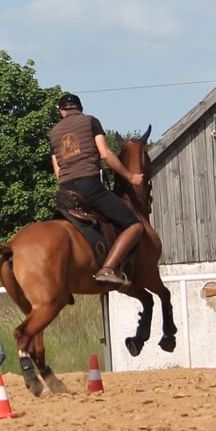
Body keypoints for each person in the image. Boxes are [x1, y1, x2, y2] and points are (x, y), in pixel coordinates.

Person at [49, 92, 145, 287]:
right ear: (80, 109)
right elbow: (105, 153)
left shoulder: (53, 134)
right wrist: (130, 176)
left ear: (61, 112)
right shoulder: (91, 121)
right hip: (89, 187)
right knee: (134, 225)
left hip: (66, 192)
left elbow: (58, 172)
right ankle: (108, 269)